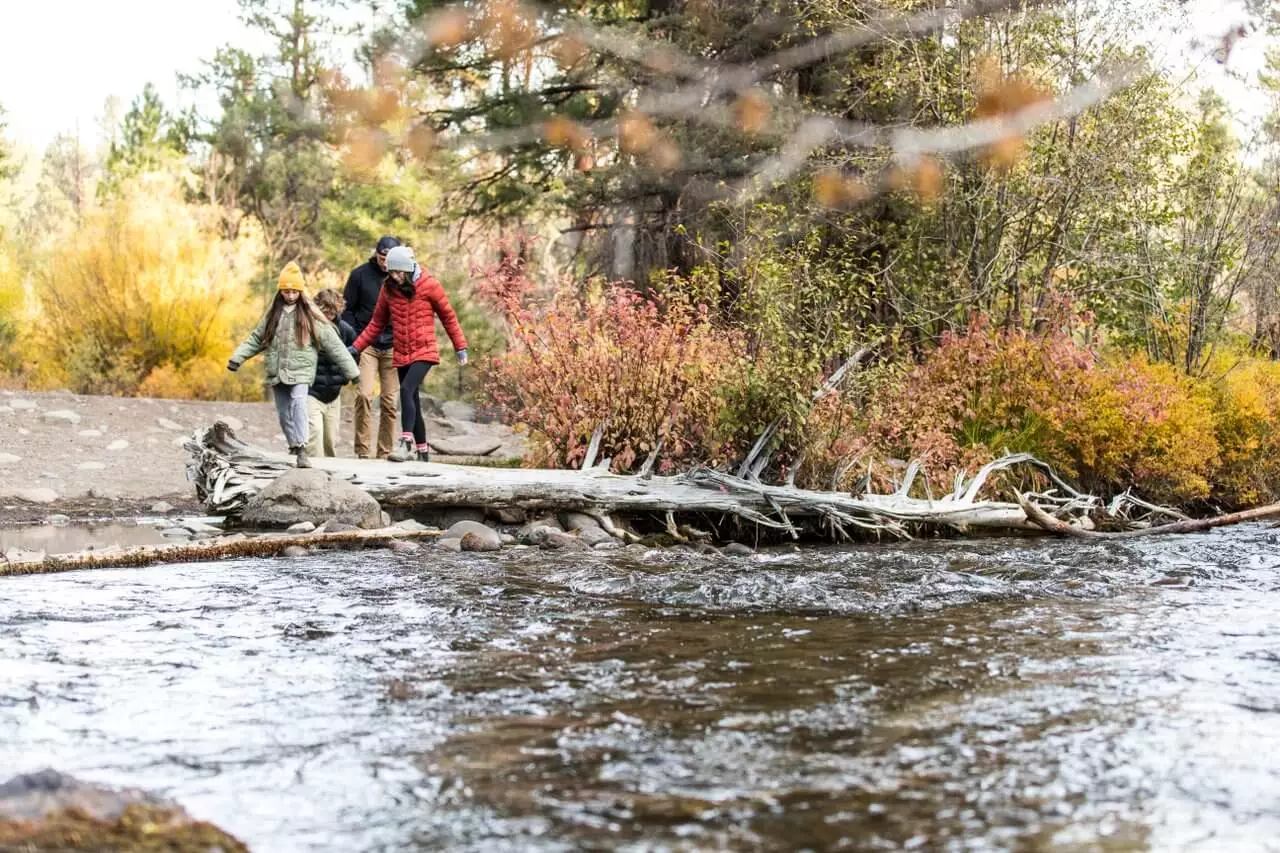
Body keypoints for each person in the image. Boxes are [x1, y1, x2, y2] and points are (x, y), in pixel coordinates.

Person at [228, 263, 359, 469]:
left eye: (294, 291)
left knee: (299, 403)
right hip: (277, 370)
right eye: (286, 291)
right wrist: (237, 358)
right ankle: (294, 445)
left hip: (302, 371)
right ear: (280, 290)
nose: (290, 295)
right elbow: (256, 338)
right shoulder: (273, 313)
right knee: (283, 413)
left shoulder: (310, 313)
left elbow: (334, 345)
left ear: (300, 290)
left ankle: (302, 448)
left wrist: (353, 372)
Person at [350, 245, 468, 463]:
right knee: (412, 398)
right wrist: (356, 347)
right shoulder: (389, 289)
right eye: (391, 273)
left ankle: (405, 443)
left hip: (424, 349)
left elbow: (448, 317)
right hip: (402, 350)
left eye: (398, 272)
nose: (395, 277)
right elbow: (376, 323)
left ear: (408, 268)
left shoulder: (429, 285)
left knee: (405, 389)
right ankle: (423, 452)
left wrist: (460, 346)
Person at [342, 236, 401, 460]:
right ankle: (363, 451)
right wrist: (355, 339)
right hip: (366, 343)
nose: (384, 262)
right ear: (376, 253)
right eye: (381, 256)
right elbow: (347, 310)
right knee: (364, 395)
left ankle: (384, 452)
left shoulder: (402, 276)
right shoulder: (359, 275)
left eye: (388, 258)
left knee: (389, 401)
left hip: (393, 345)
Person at [306, 289, 357, 458]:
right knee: (314, 433)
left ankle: (330, 477)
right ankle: (313, 474)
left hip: (334, 394)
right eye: (324, 311)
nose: (328, 316)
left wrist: (344, 378)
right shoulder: (308, 327)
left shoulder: (345, 330)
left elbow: (355, 353)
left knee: (330, 441)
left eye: (332, 312)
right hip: (311, 392)